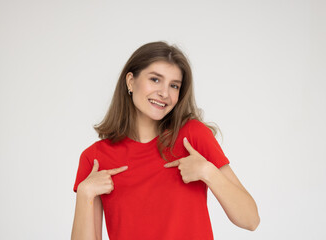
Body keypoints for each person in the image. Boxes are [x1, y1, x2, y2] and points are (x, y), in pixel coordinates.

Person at [71, 41, 260, 240]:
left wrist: (207, 171)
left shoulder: (193, 136)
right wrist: (85, 194)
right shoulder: (95, 158)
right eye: (155, 79)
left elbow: (251, 220)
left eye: (174, 85)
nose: (164, 93)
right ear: (130, 81)